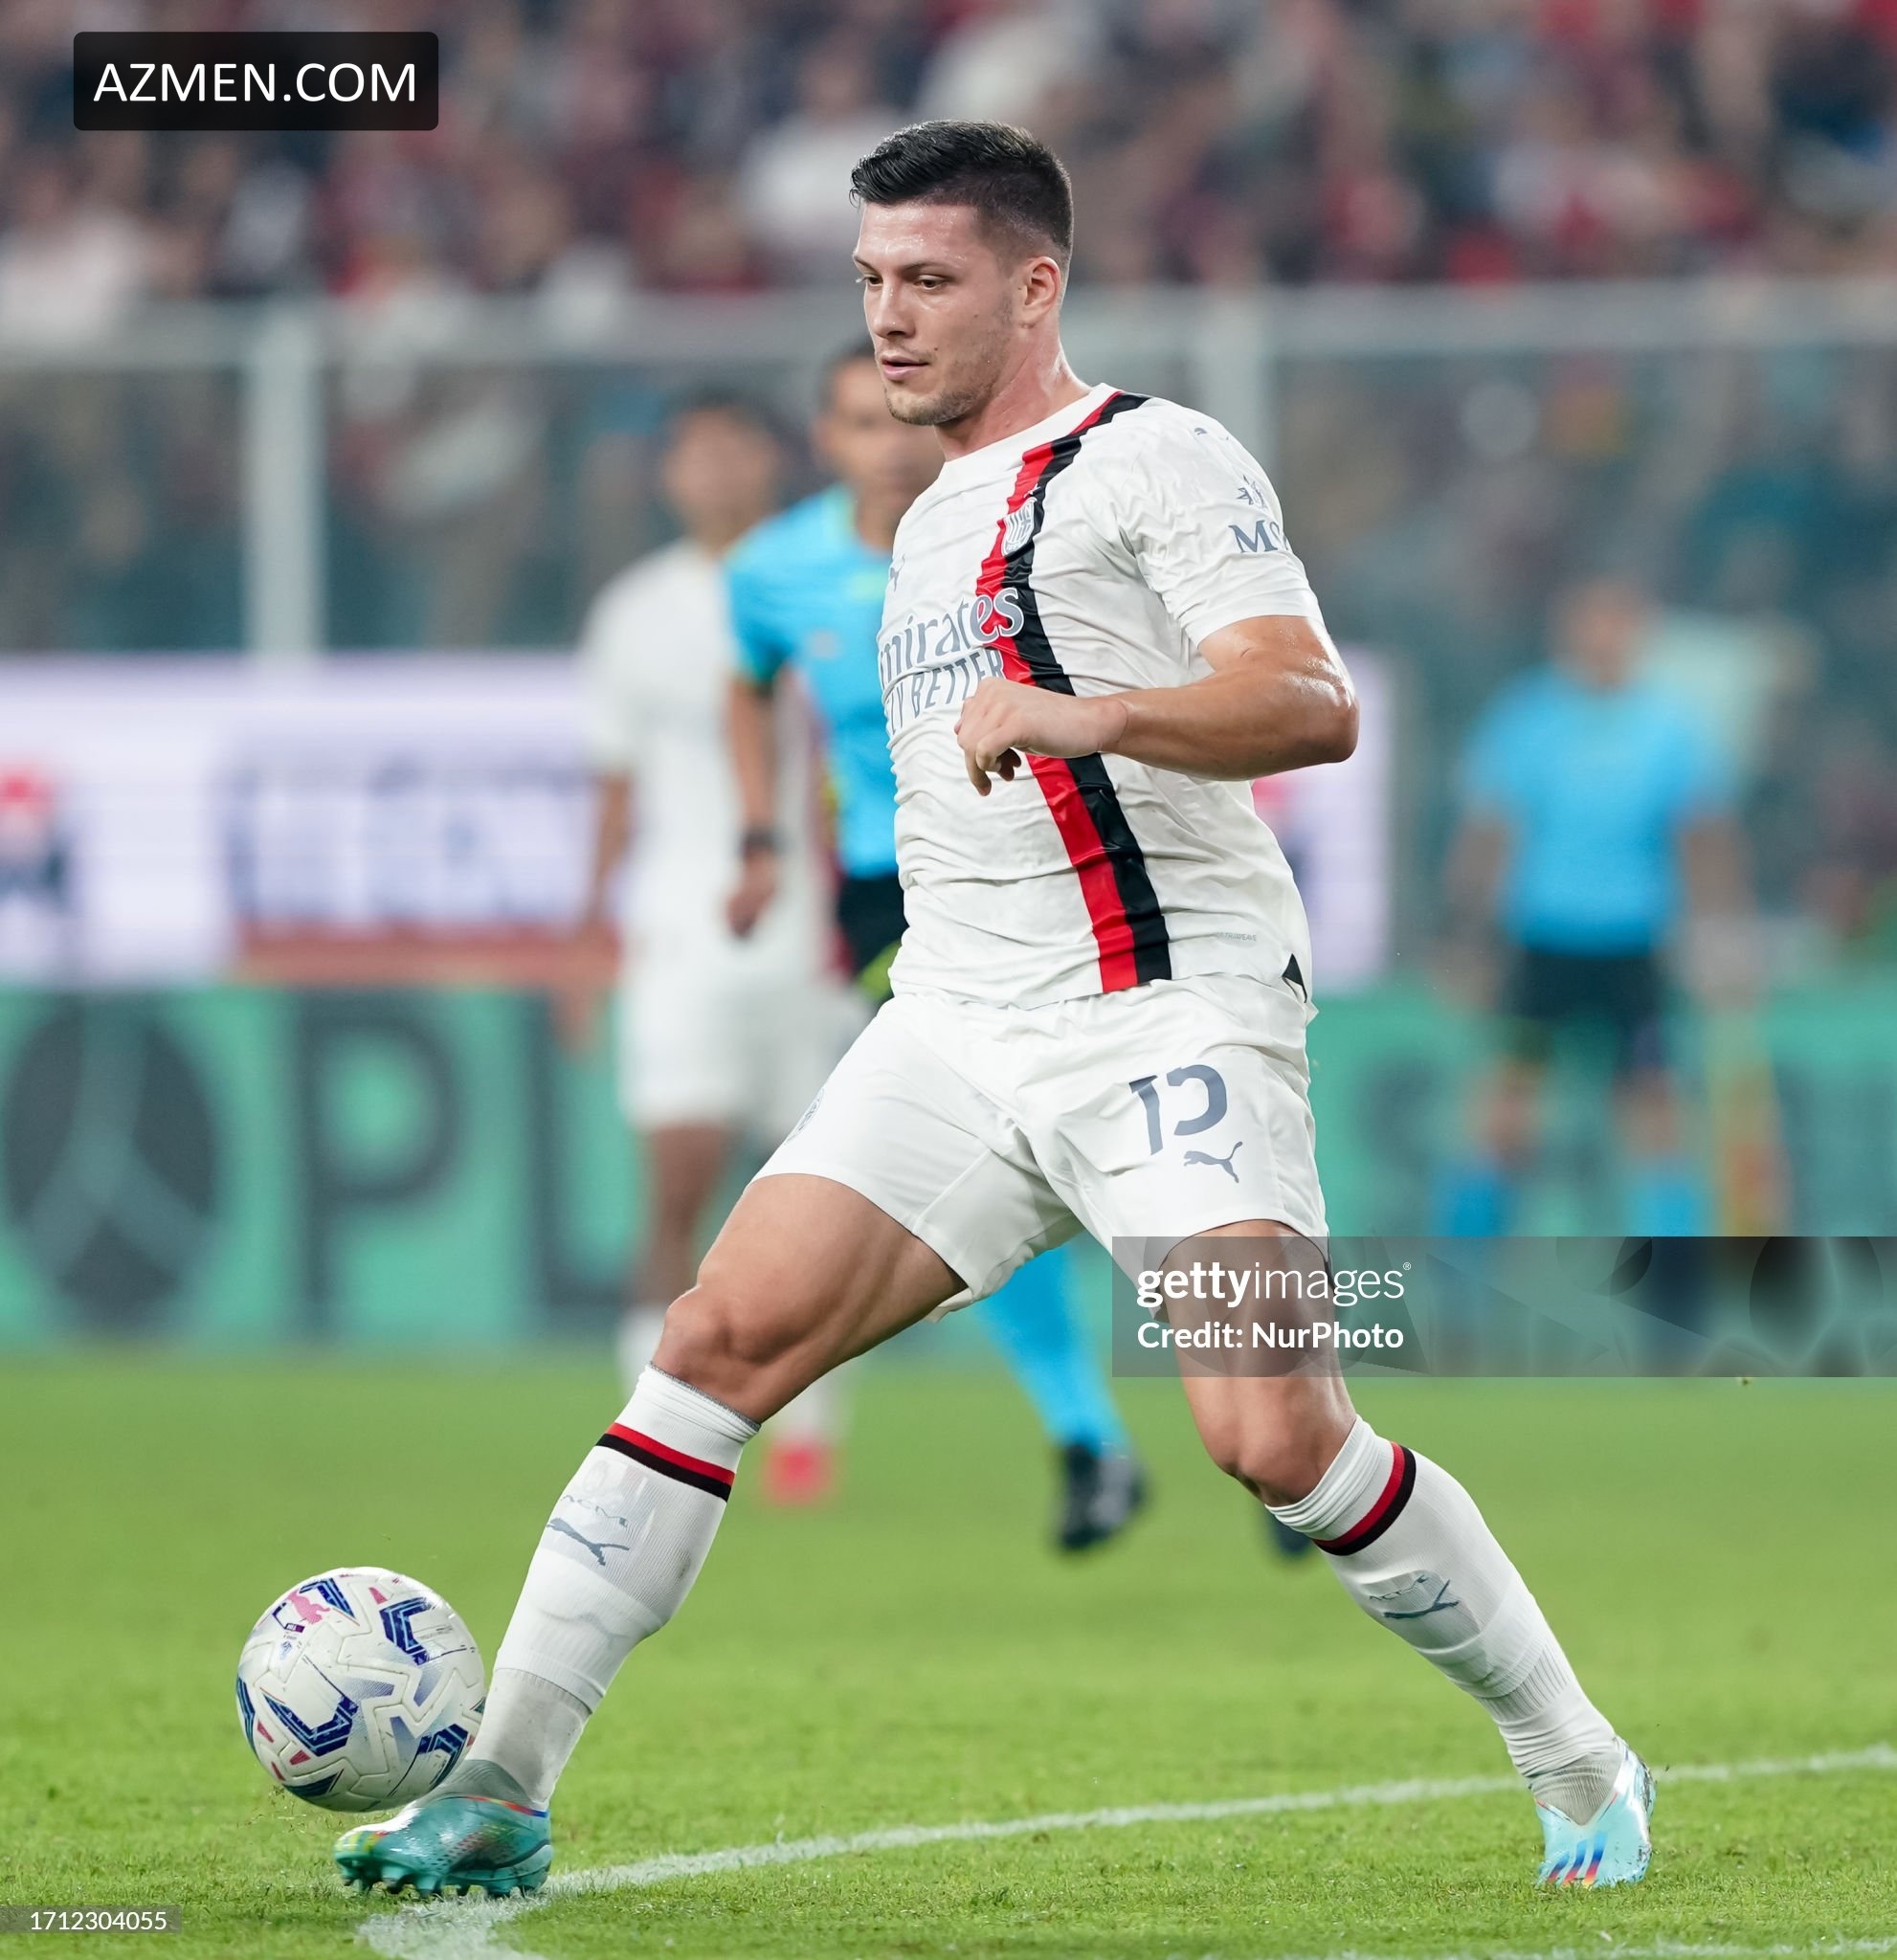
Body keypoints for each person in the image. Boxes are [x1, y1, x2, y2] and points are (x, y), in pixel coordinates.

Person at [337, 121, 1653, 1901]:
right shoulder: (925, 524)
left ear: (1035, 287)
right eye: (871, 280)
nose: (889, 316)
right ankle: (502, 1782)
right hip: (956, 1024)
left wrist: (1093, 712)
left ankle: (1576, 1755)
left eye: (929, 280)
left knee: (1270, 1436)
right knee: (714, 1339)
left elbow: (1309, 699)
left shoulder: (1152, 456)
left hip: (1166, 1018)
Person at [723, 341, 1148, 1551]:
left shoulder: (1022, 529)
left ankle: (1283, 1411)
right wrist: (760, 834)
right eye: (859, 422)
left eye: (897, 418)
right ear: (827, 439)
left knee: (1138, 1141)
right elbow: (745, 683)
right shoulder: (773, 572)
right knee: (991, 1150)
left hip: (1063, 866)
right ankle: (1088, 1436)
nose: (888, 444)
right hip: (893, 891)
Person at [568, 393, 852, 1502]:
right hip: (680, 924)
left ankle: (807, 1435)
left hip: (809, 926)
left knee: (816, 1195)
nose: (718, 471)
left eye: (738, 450)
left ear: (772, 464)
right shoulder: (633, 612)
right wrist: (583, 937)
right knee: (675, 1182)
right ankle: (641, 1435)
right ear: (669, 473)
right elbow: (614, 786)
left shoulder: (825, 577)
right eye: (697, 452)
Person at [1438, 576, 1751, 1237]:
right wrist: (1466, 935)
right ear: (1567, 633)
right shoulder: (1529, 717)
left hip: (1633, 944)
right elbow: (1490, 833)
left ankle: (1675, 1272)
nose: (1604, 638)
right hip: (1542, 941)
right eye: (1591, 623)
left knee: (1655, 1111)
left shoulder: (1671, 727)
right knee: (1506, 1108)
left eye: (1617, 623)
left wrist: (1720, 934)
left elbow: (1702, 838)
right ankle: (1464, 1268)